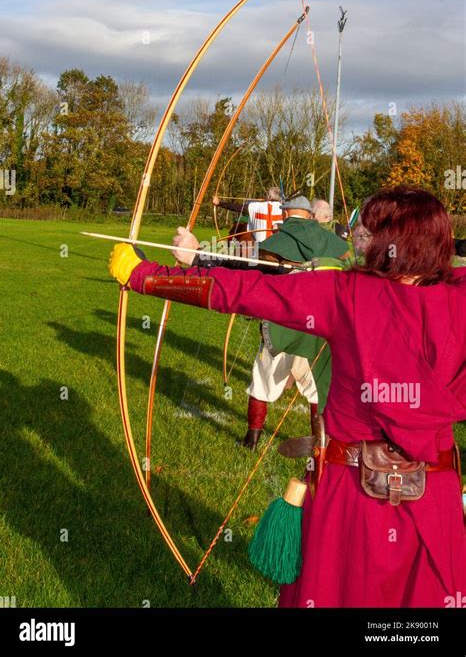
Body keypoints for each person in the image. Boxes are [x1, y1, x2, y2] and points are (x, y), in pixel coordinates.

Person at [109, 186, 465, 608]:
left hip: (353, 496)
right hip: (436, 496)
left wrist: (143, 275)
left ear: (392, 244)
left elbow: (242, 291)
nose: (360, 241)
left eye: (370, 233)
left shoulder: (346, 294)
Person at [174, 195, 349, 449]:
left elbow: (237, 264)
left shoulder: (274, 243)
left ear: (286, 215)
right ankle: (320, 445)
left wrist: (199, 256)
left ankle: (251, 440)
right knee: (315, 391)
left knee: (263, 382)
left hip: (281, 329)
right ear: (309, 215)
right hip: (318, 333)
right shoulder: (337, 245)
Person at [213, 186, 283, 242]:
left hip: (259, 247)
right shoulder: (284, 209)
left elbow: (236, 207)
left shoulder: (256, 206)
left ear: (269, 197)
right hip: (277, 248)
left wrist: (219, 203)